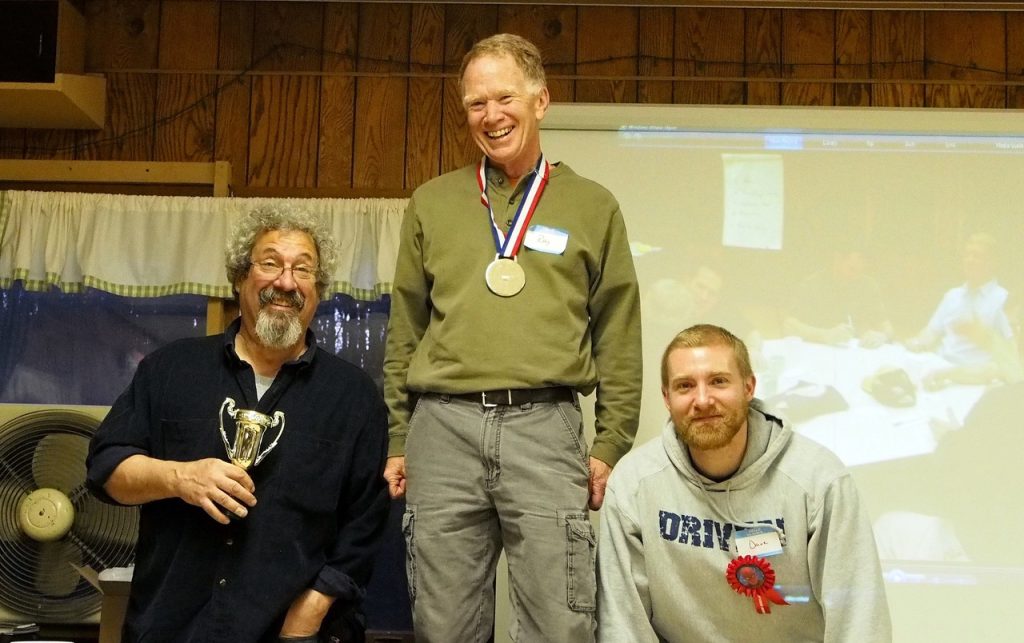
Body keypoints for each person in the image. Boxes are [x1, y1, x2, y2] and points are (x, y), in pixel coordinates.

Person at [382, 33, 642, 642]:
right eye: (476, 103)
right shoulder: (432, 203)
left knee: (560, 624)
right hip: (441, 430)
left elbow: (618, 329)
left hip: (546, 427)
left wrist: (610, 442)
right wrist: (398, 435)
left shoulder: (593, 205)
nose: (491, 115)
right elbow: (406, 328)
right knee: (442, 626)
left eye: (505, 98)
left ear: (541, 101)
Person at [85, 206, 390, 643]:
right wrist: (180, 478)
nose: (286, 282)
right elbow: (106, 470)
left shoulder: (355, 396)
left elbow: (365, 524)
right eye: (270, 263)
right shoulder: (170, 369)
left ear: (318, 290)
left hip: (296, 632)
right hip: (172, 627)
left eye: (303, 269)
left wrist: (310, 613)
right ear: (240, 277)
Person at [597, 324, 890, 642]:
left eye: (718, 381)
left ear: (749, 387)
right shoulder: (634, 485)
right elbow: (622, 624)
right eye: (685, 386)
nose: (703, 400)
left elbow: (859, 618)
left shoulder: (819, 481)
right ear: (667, 398)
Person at [905, 232, 1019, 388]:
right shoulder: (952, 295)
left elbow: (1011, 361)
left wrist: (951, 374)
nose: (970, 260)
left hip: (972, 380)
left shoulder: (1004, 301)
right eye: (967, 255)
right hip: (938, 368)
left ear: (992, 263)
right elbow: (931, 332)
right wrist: (917, 343)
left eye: (977, 256)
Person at [783, 247, 894, 348]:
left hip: (853, 351)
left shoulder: (867, 285)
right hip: (818, 349)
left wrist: (882, 336)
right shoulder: (813, 284)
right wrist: (825, 334)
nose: (856, 276)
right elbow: (789, 326)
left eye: (861, 271)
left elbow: (886, 326)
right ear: (838, 259)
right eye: (852, 269)